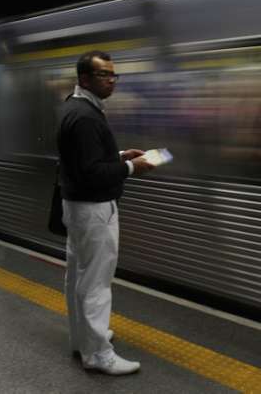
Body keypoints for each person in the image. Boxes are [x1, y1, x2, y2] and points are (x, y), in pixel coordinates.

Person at [56, 50, 155, 375]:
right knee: (96, 282)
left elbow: (84, 158)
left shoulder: (76, 105)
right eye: (104, 75)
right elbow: (91, 173)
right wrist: (130, 166)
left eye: (114, 74)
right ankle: (98, 353)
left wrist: (118, 154)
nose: (112, 80)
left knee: (78, 276)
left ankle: (82, 338)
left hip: (77, 205)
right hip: (93, 208)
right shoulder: (85, 116)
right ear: (85, 79)